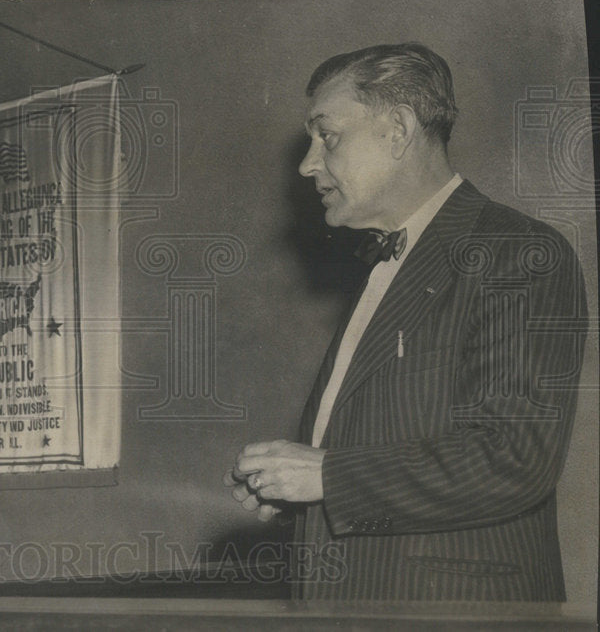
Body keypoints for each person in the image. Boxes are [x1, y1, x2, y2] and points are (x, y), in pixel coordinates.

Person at [226, 43, 587, 600]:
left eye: (328, 135)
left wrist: (328, 477)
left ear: (397, 129)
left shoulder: (519, 252)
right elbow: (384, 454)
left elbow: (514, 456)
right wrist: (298, 492)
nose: (307, 163)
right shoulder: (384, 263)